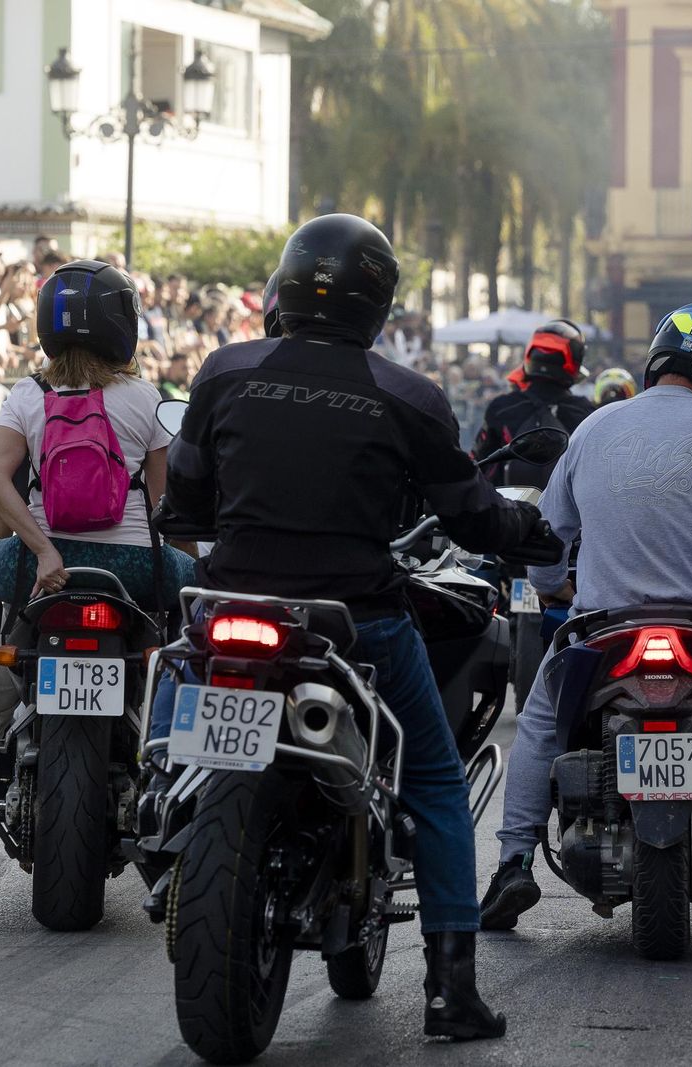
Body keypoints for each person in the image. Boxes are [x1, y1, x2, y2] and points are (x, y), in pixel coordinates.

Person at [149, 214, 554, 1041]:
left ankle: (153, 823)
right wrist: (534, 532)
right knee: (436, 781)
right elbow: (473, 519)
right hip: (356, 621)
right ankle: (450, 993)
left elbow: (181, 508)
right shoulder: (408, 395)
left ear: (282, 287)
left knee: (166, 713)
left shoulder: (224, 372)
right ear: (378, 304)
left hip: (230, 611)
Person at [479, 302, 692, 935]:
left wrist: (554, 588)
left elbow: (547, 537)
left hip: (603, 630)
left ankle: (512, 864)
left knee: (541, 726)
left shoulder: (597, 427)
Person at [0, 260, 199, 917]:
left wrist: (39, 549)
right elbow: (169, 511)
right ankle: (177, 838)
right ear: (124, 327)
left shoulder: (24, 396)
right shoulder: (146, 400)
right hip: (135, 573)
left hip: (44, 571)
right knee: (198, 645)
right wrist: (187, 575)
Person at [473, 319, 595, 486]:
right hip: (567, 510)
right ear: (574, 360)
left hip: (507, 508)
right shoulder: (586, 412)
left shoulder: (502, 407)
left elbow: (477, 462)